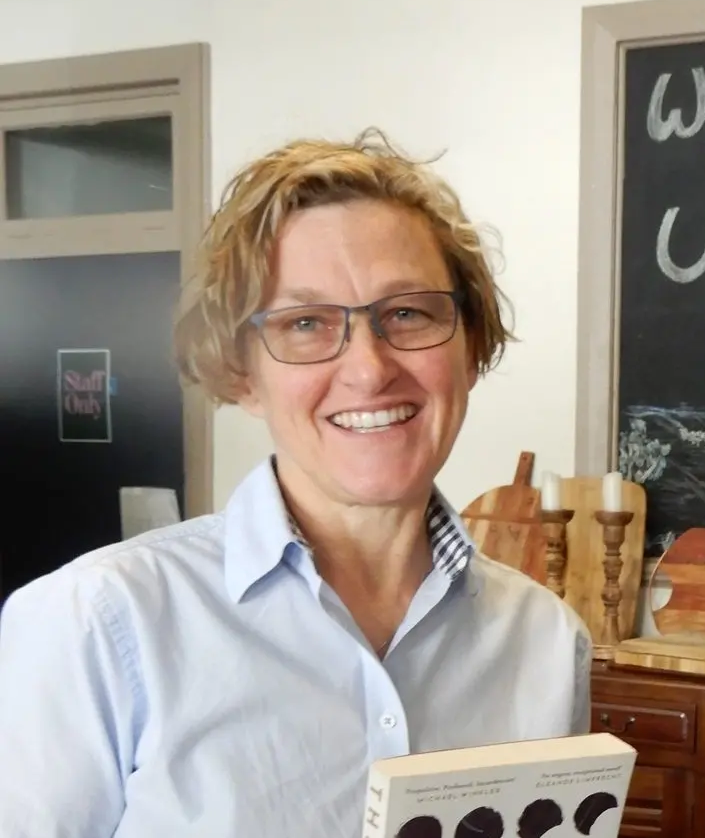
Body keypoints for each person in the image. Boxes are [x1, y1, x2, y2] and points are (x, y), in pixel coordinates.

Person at [0, 130, 592, 838]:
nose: (369, 369)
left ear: (469, 346)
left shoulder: (547, 640)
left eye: (407, 312)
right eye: (306, 323)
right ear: (242, 373)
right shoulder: (97, 622)